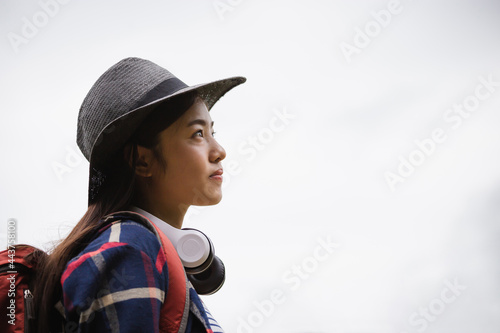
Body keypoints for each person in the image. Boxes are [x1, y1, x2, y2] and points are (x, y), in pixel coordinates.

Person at [33, 57, 246, 332]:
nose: (219, 151)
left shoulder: (142, 250)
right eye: (197, 134)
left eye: (212, 132)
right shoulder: (130, 249)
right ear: (142, 161)